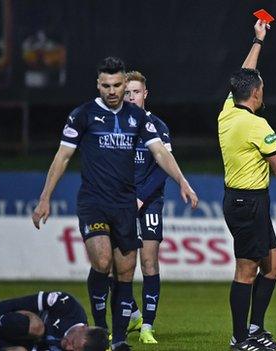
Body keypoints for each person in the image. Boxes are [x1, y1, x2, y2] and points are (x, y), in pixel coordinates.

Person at [32, 57, 198, 351]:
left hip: (124, 205)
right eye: (106, 85)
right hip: (94, 202)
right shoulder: (82, 115)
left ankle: (119, 339)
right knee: (103, 262)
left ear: (124, 84)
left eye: (117, 85)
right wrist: (45, 197)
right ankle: (101, 327)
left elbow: (159, 153)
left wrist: (183, 182)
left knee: (125, 271)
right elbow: (62, 157)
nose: (112, 91)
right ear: (98, 84)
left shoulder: (138, 118)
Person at [219, 20, 276, 351]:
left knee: (274, 266)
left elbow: (243, 75)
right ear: (255, 93)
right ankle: (240, 339)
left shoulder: (228, 111)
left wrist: (258, 41)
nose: (262, 90)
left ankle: (255, 328)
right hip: (246, 203)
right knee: (246, 270)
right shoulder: (256, 124)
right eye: (261, 87)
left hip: (250, 201)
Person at [110, 70, 173, 344]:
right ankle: (133, 313)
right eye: (127, 92)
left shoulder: (158, 126)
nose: (131, 96)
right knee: (116, 265)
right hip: (121, 201)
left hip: (149, 201)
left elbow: (163, 168)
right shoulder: (115, 126)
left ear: (145, 94)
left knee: (148, 260)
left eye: (136, 91)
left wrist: (141, 198)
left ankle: (147, 325)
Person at [0, 291, 108, 351]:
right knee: (37, 327)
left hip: (4, 344)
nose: (68, 348)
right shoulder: (67, 305)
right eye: (73, 343)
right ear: (84, 328)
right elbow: (14, 304)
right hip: (6, 322)